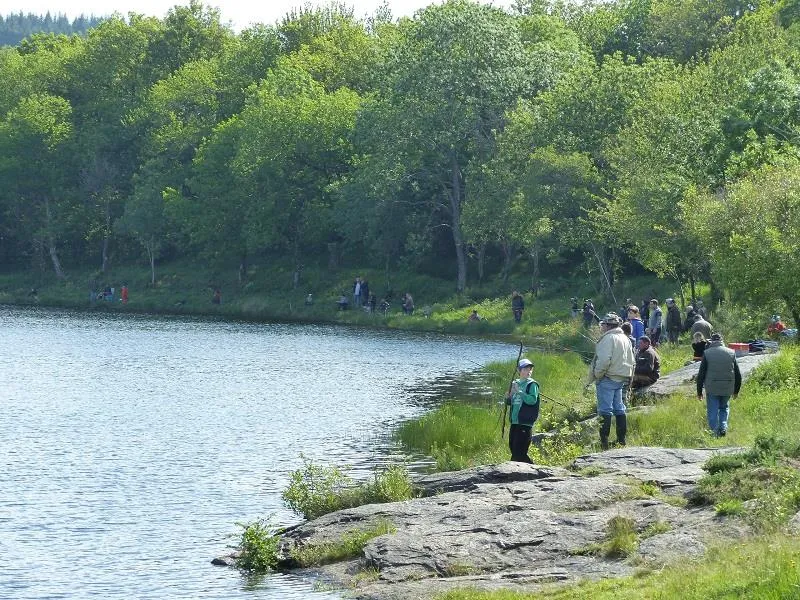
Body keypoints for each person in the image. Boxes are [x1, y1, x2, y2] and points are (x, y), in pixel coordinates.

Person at [586, 313, 635, 450]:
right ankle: (621, 440)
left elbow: (604, 361)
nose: (601, 327)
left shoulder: (608, 338)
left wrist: (597, 375)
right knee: (619, 408)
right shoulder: (625, 338)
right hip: (621, 378)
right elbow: (632, 360)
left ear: (607, 325)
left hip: (608, 378)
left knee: (605, 410)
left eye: (603, 324)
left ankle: (604, 443)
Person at [697, 332, 742, 437]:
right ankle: (723, 427)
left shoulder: (707, 353)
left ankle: (715, 432)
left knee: (712, 410)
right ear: (722, 341)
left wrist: (699, 392)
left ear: (711, 341)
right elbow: (738, 374)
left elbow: (701, 374)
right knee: (724, 408)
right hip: (727, 387)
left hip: (712, 387)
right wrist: (736, 390)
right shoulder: (731, 352)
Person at [506, 358, 540, 463]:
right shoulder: (515, 383)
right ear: (519, 370)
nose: (528, 371)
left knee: (518, 453)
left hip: (525, 423)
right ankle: (533, 468)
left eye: (530, 369)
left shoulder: (532, 384)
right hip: (515, 422)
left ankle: (529, 470)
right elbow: (510, 402)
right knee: (513, 448)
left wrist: (520, 392)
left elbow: (532, 400)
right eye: (525, 369)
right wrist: (508, 397)